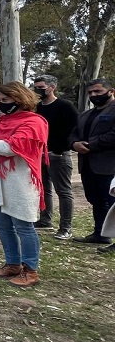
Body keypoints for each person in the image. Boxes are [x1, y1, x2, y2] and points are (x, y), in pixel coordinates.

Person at [0, 82, 48, 286]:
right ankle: (12, 264)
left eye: (5, 100)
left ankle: (30, 270)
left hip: (20, 181)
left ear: (19, 99)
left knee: (23, 226)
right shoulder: (0, 121)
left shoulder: (35, 122)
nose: (1, 104)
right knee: (3, 225)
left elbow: (12, 148)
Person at [69, 78, 115, 248]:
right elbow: (73, 134)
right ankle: (100, 234)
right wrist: (74, 144)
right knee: (96, 200)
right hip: (88, 165)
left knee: (111, 202)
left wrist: (90, 144)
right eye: (90, 92)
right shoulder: (85, 114)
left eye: (98, 91)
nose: (94, 95)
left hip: (109, 165)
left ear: (111, 91)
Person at [33, 74, 78, 240]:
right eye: (35, 87)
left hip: (58, 155)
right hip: (40, 154)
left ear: (52, 87)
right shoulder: (37, 107)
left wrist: (59, 149)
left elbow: (73, 129)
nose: (37, 90)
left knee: (63, 191)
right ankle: (45, 219)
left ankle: (66, 228)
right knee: (43, 189)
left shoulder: (65, 106)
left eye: (41, 87)